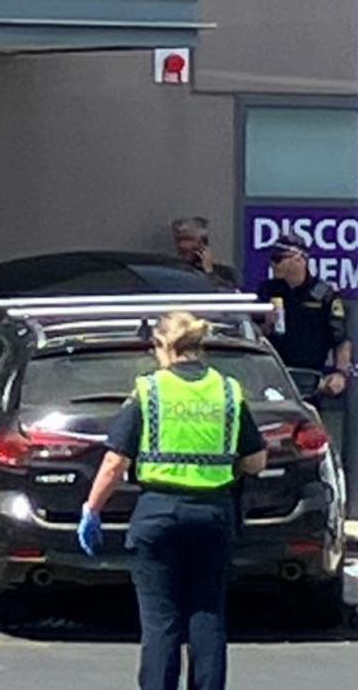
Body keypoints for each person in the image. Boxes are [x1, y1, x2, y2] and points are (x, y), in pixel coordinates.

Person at [78, 312, 266, 690]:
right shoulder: (228, 390)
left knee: (160, 622)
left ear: (163, 346)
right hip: (214, 515)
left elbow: (116, 461)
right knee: (207, 616)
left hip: (158, 515)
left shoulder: (150, 390)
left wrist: (92, 509)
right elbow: (256, 461)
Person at [256, 233, 351, 396]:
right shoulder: (268, 290)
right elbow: (253, 334)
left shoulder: (323, 294)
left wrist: (340, 374)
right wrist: (267, 324)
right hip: (273, 376)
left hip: (310, 379)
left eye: (278, 259)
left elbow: (340, 339)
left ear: (298, 259)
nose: (273, 264)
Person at [171, 217, 241, 290]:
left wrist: (209, 271)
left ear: (203, 243)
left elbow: (224, 295)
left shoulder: (226, 272)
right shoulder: (172, 269)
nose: (181, 245)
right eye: (178, 240)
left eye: (188, 239)